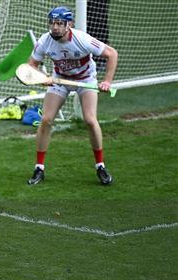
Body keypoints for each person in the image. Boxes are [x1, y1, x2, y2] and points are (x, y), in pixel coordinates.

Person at [27, 6, 118, 186]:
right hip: (60, 80)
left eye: (59, 23)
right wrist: (42, 79)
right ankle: (39, 168)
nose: (54, 27)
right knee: (46, 119)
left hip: (86, 80)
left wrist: (107, 81)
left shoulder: (82, 39)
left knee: (90, 120)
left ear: (69, 24)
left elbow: (111, 53)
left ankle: (100, 166)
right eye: (52, 23)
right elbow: (31, 66)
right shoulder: (45, 41)